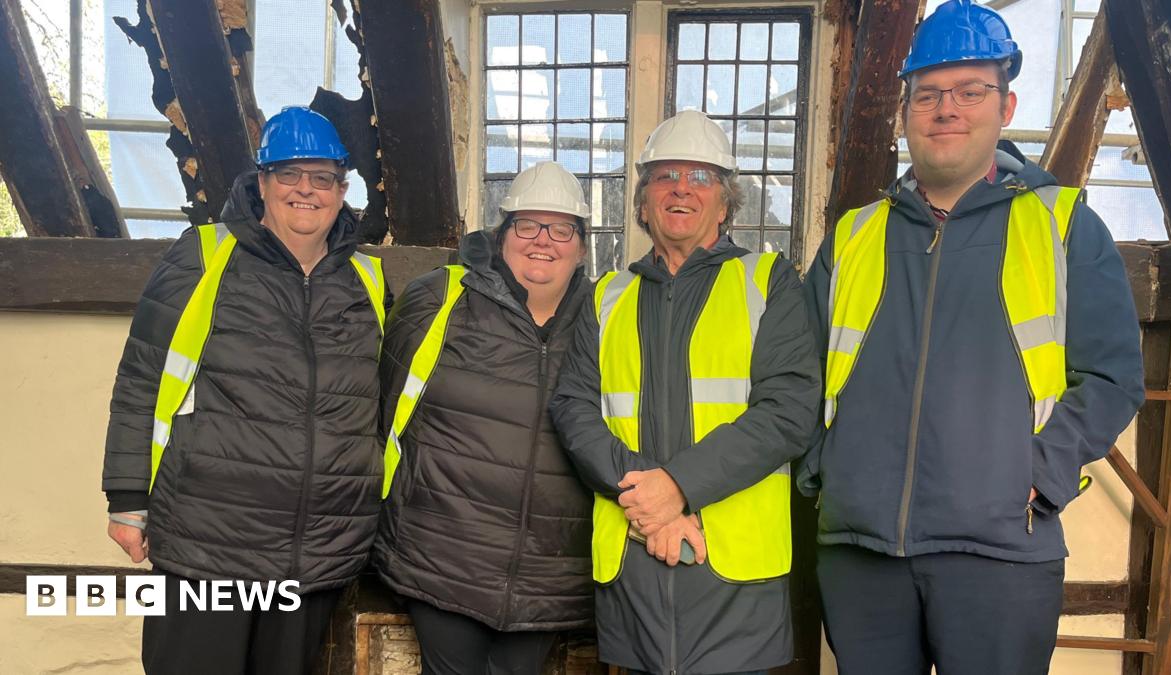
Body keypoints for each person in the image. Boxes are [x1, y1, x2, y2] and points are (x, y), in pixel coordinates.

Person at [800, 2, 1145, 673]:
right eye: (927, 93)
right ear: (905, 111)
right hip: (861, 555)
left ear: (1006, 104)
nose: (946, 109)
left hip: (1001, 557)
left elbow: (1113, 376)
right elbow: (801, 372)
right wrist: (826, 469)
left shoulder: (1063, 226)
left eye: (969, 91)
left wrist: (1039, 474)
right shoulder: (854, 237)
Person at [102, 106, 388, 675]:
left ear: (342, 188)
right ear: (262, 183)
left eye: (322, 177)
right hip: (211, 541)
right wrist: (127, 500)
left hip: (315, 550)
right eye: (289, 174)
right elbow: (142, 378)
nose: (305, 190)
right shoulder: (204, 256)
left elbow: (374, 410)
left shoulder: (369, 279)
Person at [550, 109, 822, 674]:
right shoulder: (607, 295)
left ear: (725, 204)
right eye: (665, 176)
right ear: (644, 201)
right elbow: (574, 410)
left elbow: (789, 410)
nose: (681, 189)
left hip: (733, 575)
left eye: (701, 177)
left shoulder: (769, 281)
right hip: (636, 564)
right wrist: (653, 506)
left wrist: (678, 487)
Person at [373, 161, 595, 674]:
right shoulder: (441, 299)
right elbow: (383, 409)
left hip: (548, 567)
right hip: (444, 554)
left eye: (562, 228)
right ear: (501, 235)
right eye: (527, 225)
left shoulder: (604, 318)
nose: (544, 240)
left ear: (581, 246)